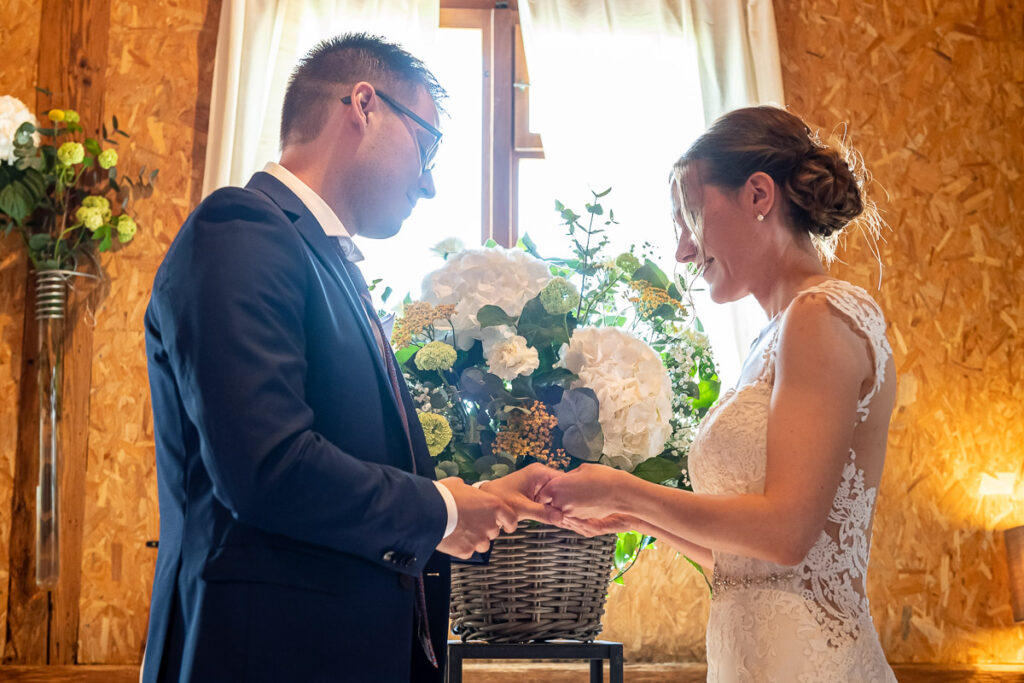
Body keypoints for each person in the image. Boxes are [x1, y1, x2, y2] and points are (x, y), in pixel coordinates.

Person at [141, 33, 558, 683]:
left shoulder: (326, 262)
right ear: (363, 105)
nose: (429, 184)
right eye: (427, 147)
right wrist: (444, 511)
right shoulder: (242, 228)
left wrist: (465, 503)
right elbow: (269, 466)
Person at [538, 106, 898, 681]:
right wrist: (633, 517)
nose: (682, 250)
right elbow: (750, 567)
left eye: (689, 217)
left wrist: (626, 489)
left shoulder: (820, 314)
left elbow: (785, 535)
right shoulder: (770, 338)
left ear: (758, 195)